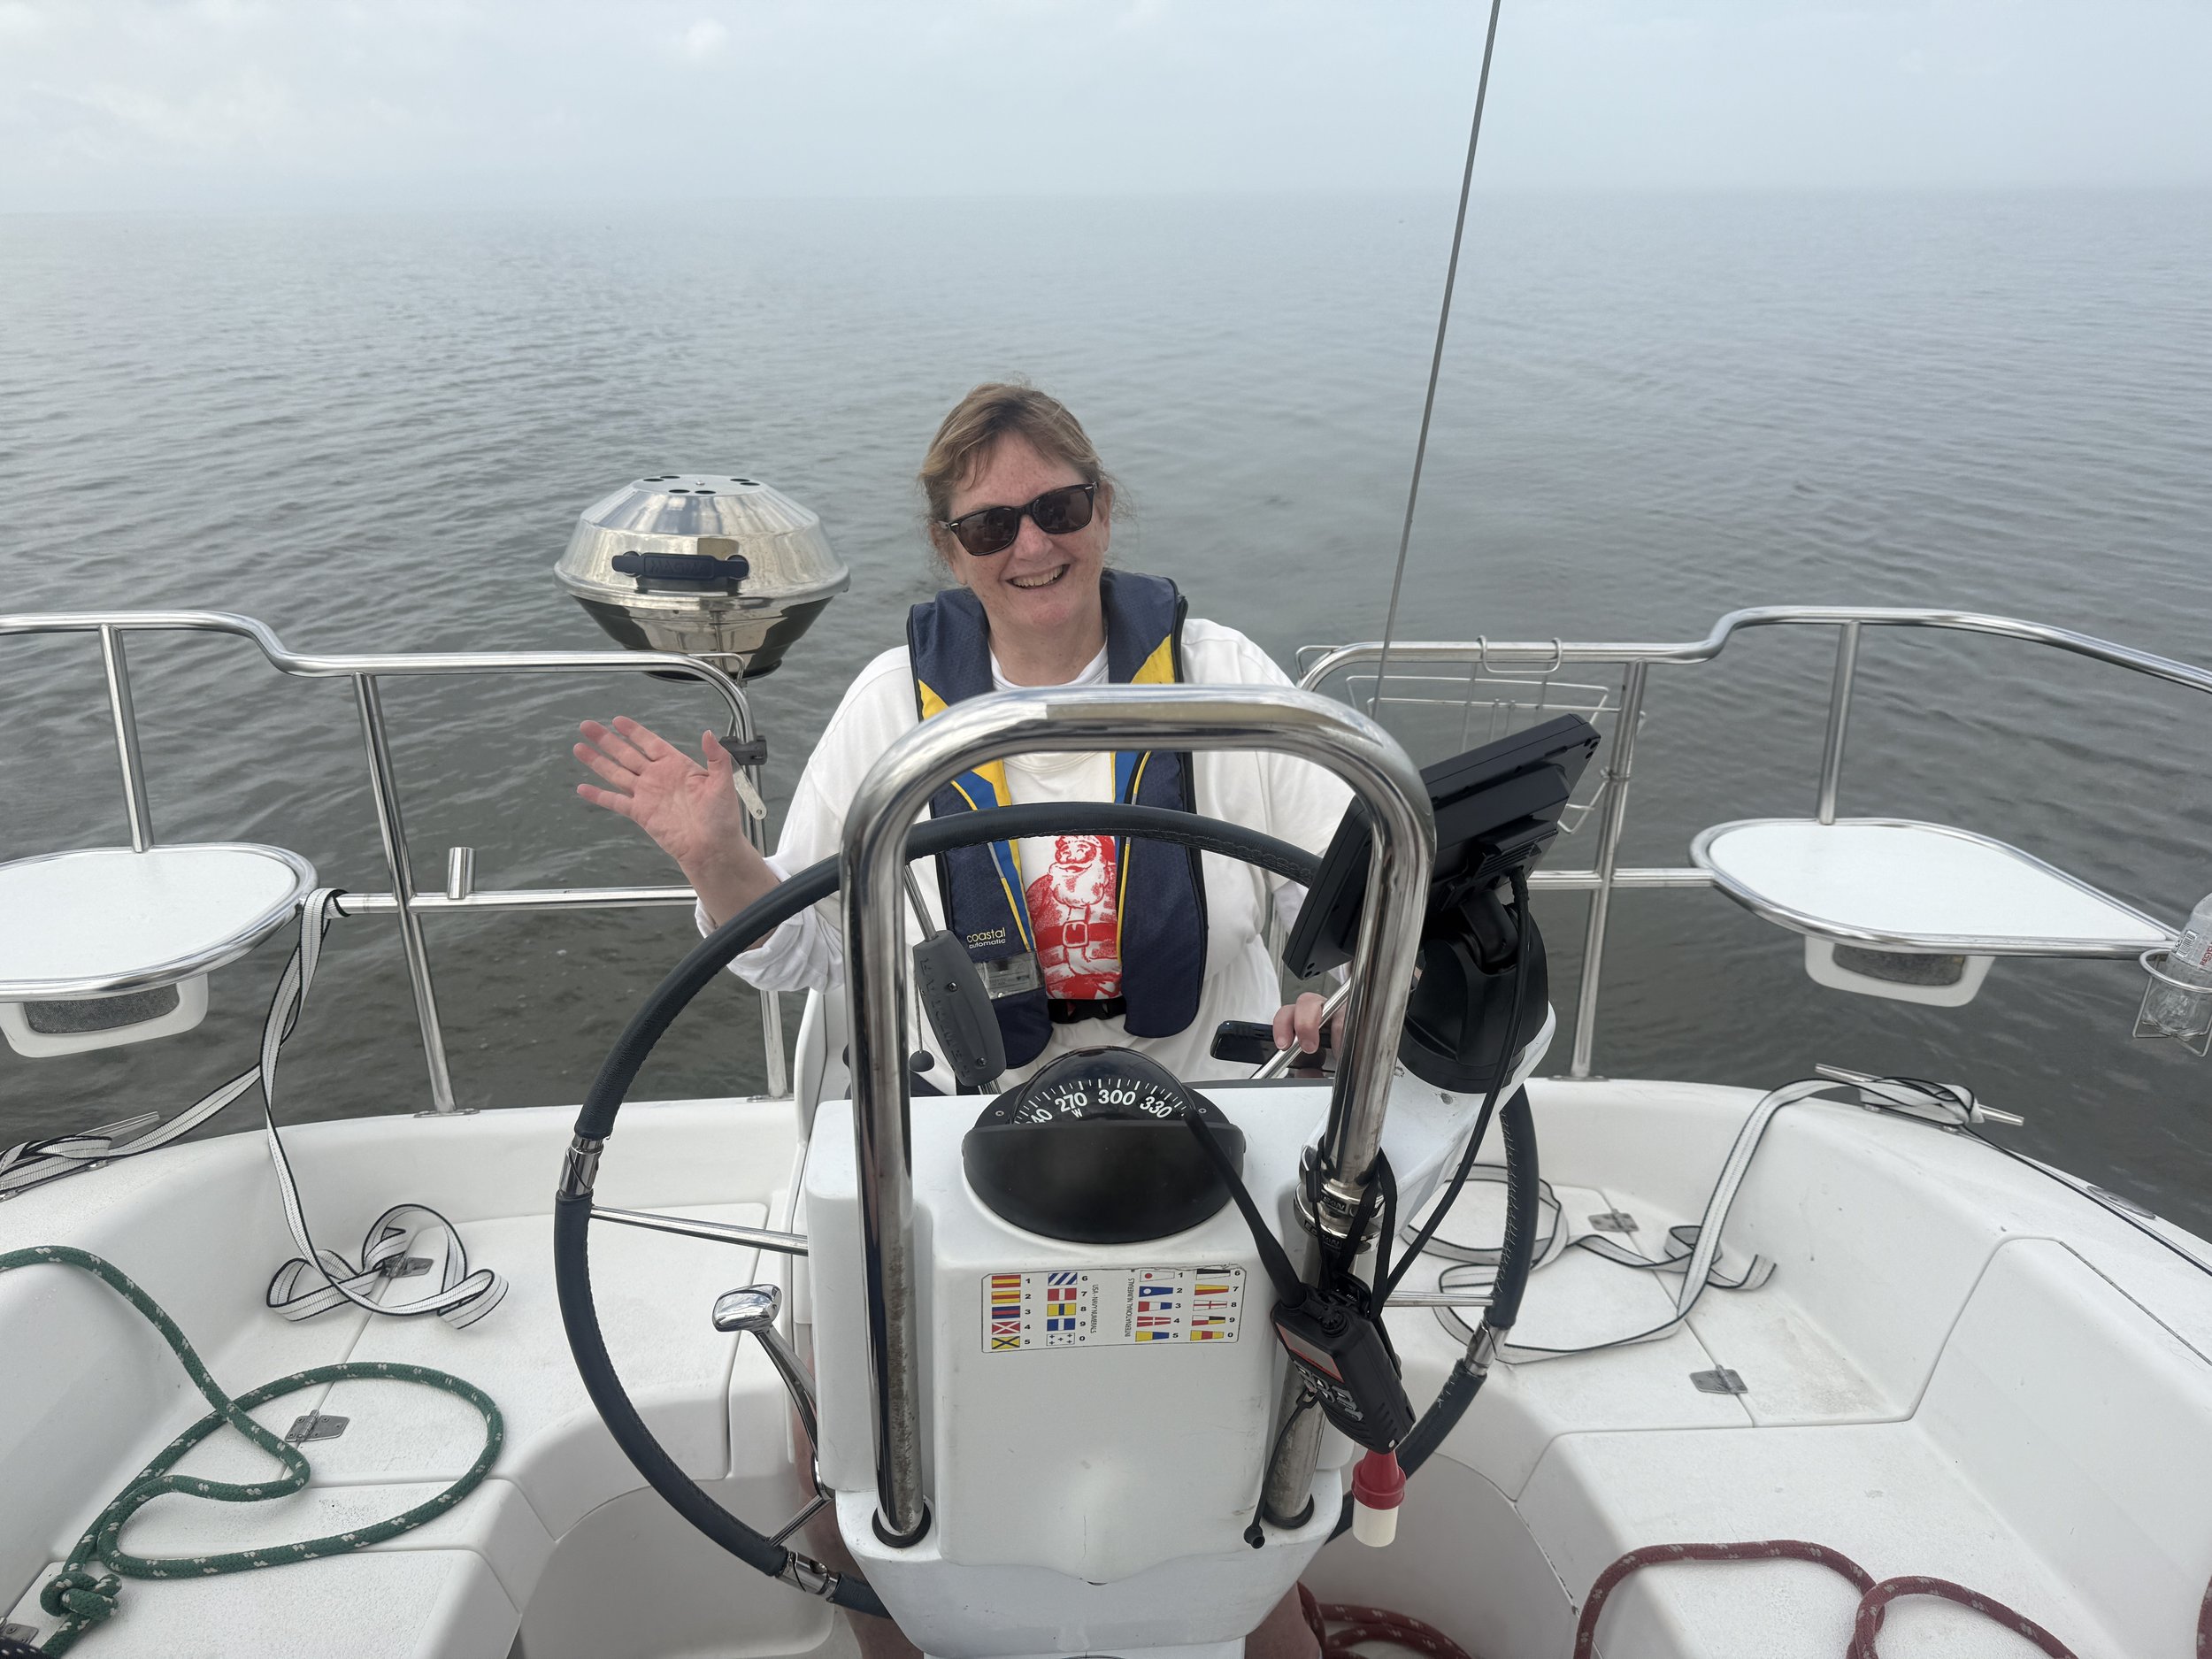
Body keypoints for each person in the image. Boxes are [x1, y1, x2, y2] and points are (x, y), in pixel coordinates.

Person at [573, 382, 1344, 1077]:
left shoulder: (1224, 682)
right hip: (973, 1109)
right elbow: (807, 947)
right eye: (990, 527)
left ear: (1101, 510)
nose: (1034, 544)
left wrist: (1344, 1007)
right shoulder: (891, 709)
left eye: (1060, 509)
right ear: (950, 548)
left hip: (1213, 1093)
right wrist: (718, 858)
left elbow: (1357, 905)